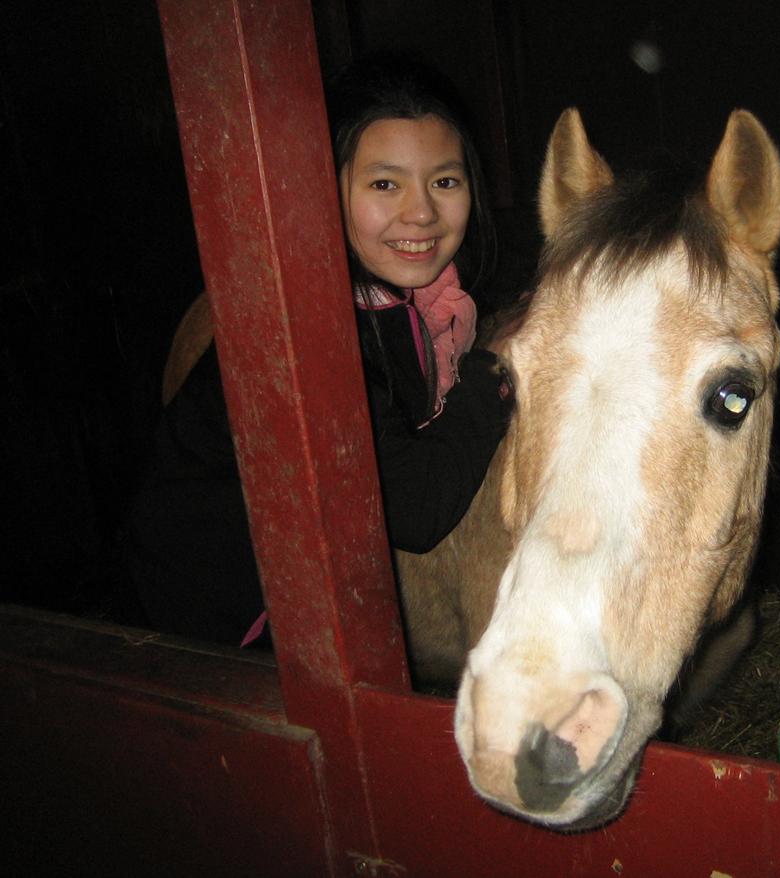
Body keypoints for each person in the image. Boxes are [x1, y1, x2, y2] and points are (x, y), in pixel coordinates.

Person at [125, 55, 514, 646]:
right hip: (222, 613)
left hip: (294, 573)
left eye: (444, 181)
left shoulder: (424, 299)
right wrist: (501, 371)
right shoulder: (310, 326)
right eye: (384, 183)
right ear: (323, 188)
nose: (422, 212)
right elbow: (418, 511)